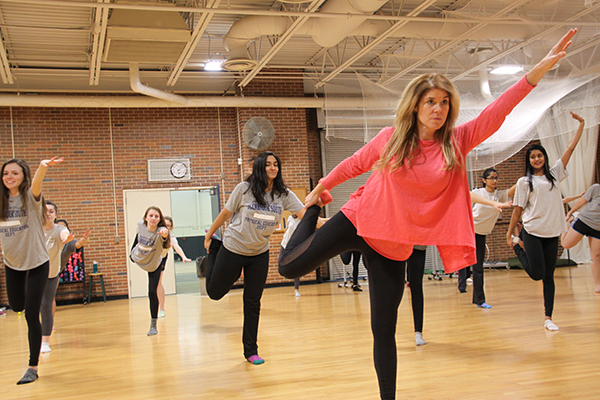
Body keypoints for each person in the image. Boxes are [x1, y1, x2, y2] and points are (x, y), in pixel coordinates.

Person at [279, 29, 578, 400]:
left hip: (394, 246)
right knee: (289, 268)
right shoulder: (391, 137)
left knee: (384, 329)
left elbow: (497, 112)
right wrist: (319, 191)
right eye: (431, 102)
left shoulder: (457, 142)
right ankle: (307, 215)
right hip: (359, 218)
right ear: (416, 106)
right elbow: (355, 163)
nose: (439, 109)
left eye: (444, 103)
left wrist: (537, 72)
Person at [204, 151, 305, 365]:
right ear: (260, 167)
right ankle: (215, 247)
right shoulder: (244, 189)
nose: (273, 168)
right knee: (215, 292)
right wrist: (209, 233)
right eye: (268, 164)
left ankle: (251, 351)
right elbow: (225, 214)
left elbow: (304, 214)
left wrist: (327, 223)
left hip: (259, 253)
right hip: (233, 248)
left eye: (275, 164)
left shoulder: (283, 194)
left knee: (253, 302)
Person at [507, 111, 585, 331]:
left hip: (552, 232)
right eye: (533, 157)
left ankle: (548, 317)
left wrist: (581, 124)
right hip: (532, 231)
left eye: (539, 155)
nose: (537, 159)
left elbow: (570, 148)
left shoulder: (554, 174)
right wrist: (510, 234)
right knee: (537, 274)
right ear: (529, 161)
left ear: (544, 157)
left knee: (549, 277)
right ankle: (517, 247)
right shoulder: (524, 182)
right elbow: (517, 210)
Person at [0, 156, 63, 384]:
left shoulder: (30, 197)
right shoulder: (1, 201)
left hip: (37, 262)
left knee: (30, 313)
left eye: (15, 173)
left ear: (23, 176)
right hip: (12, 263)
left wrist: (43, 167)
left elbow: (37, 185)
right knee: (16, 306)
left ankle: (32, 367)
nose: (10, 177)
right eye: (6, 173)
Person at [457, 170, 515, 308]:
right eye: (491, 178)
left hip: (481, 233)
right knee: (466, 262)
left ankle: (478, 300)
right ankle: (463, 286)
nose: (495, 181)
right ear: (484, 180)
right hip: (469, 230)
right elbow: (469, 195)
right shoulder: (479, 192)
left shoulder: (499, 195)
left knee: (478, 266)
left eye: (496, 178)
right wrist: (493, 204)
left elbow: (514, 188)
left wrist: (527, 178)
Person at [130, 206, 171, 336]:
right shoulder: (141, 225)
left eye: (156, 216)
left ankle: (153, 325)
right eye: (151, 216)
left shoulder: (161, 231)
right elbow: (137, 238)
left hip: (154, 262)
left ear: (159, 220)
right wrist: (132, 253)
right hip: (141, 257)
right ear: (146, 218)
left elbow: (165, 234)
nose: (153, 218)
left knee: (152, 291)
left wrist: (165, 234)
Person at [561, 183, 600, 292]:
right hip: (584, 221)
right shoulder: (596, 188)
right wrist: (570, 213)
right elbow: (581, 201)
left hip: (598, 229)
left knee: (596, 257)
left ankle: (598, 285)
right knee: (566, 244)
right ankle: (570, 221)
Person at [280, 213, 328, 297]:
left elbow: (320, 220)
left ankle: (296, 290)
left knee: (295, 266)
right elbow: (287, 229)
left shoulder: (304, 222)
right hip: (285, 244)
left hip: (294, 246)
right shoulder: (290, 218)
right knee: (280, 264)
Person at [157, 216, 191, 318]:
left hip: (161, 258)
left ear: (171, 228)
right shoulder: (156, 233)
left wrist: (183, 257)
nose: (166, 228)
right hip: (152, 259)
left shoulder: (171, 236)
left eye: (168, 226)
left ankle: (161, 309)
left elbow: (176, 246)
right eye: (164, 225)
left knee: (158, 283)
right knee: (153, 284)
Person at [405, 246, 427, 346]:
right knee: (394, 287)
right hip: (396, 244)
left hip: (417, 243)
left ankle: (418, 331)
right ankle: (388, 331)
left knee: (416, 285)